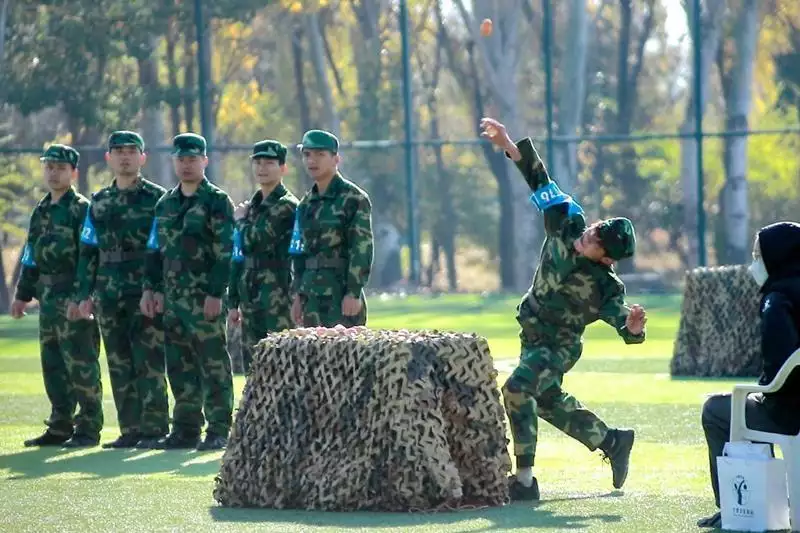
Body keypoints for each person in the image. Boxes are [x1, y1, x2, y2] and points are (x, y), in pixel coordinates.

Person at [480, 117, 647, 501]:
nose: (591, 233)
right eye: (598, 227)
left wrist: (635, 328)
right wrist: (508, 143)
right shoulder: (567, 222)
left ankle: (524, 482)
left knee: (518, 390)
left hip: (558, 346)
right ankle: (612, 441)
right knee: (549, 402)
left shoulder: (606, 286)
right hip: (532, 333)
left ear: (606, 259)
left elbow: (624, 323)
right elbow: (538, 178)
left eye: (599, 240)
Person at [697, 221, 800, 529]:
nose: (754, 263)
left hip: (791, 412)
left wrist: (763, 390)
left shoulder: (777, 300)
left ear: (777, 257)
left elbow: (779, 368)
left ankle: (734, 505)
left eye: (758, 255)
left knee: (717, 410)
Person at [138, 132, 235, 451]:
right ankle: (185, 428)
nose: (187, 164)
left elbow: (224, 251)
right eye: (181, 159)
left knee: (213, 362)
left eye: (193, 159)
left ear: (204, 161)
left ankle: (219, 427)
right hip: (172, 296)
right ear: (174, 161)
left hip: (203, 296)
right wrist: (151, 289)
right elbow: (154, 250)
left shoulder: (217, 201)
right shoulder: (165, 204)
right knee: (179, 364)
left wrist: (216, 293)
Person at [74, 131, 169, 449]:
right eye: (118, 151)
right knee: (118, 361)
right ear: (108, 158)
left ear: (143, 157)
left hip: (143, 290)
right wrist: (83, 293)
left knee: (149, 359)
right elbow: (88, 250)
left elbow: (162, 250)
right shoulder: (99, 201)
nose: (125, 157)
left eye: (132, 151)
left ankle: (154, 428)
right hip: (108, 291)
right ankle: (130, 429)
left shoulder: (158, 199)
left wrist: (156, 288)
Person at [11, 144, 104, 448]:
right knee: (52, 364)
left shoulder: (81, 208)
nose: (54, 173)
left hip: (72, 295)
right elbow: (31, 254)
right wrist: (23, 294)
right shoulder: (41, 210)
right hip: (48, 298)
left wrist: (82, 297)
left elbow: (88, 256)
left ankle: (88, 427)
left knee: (81, 362)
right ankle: (60, 425)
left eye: (61, 168)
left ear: (73, 172)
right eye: (49, 167)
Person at [289, 129, 374, 328]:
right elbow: (300, 253)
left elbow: (361, 248)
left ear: (336, 159)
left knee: (345, 358)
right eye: (307, 155)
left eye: (320, 154)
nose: (312, 161)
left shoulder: (353, 198)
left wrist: (353, 292)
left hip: (340, 295)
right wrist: (298, 295)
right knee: (312, 358)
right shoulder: (306, 204)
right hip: (311, 297)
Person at [227, 140, 298, 374]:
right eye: (257, 162)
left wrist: (240, 221)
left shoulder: (286, 205)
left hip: (276, 294)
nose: (262, 168)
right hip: (250, 293)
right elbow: (238, 255)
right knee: (254, 365)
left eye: (269, 162)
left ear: (283, 168)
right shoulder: (253, 207)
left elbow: (256, 239)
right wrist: (233, 300)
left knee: (281, 363)